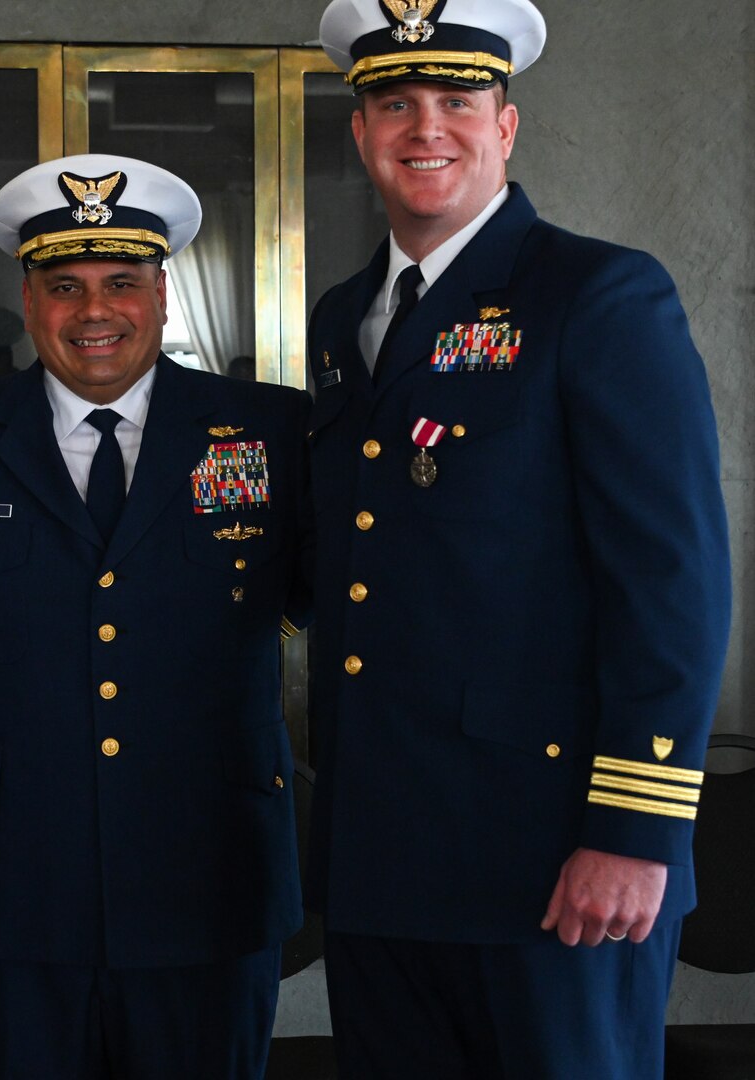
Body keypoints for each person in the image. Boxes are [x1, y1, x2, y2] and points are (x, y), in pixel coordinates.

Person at [303, 1, 732, 1076]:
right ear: (360, 134)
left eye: (457, 101)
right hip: (384, 855)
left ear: (508, 125)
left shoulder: (598, 294)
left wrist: (635, 831)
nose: (424, 128)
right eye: (394, 104)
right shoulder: (344, 316)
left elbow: (671, 585)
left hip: (554, 861)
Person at [0, 153, 311, 1078]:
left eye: (122, 281)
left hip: (212, 866)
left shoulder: (274, 430)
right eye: (64, 285)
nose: (94, 311)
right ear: (29, 298)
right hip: (15, 871)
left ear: (164, 294)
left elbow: (332, 593)